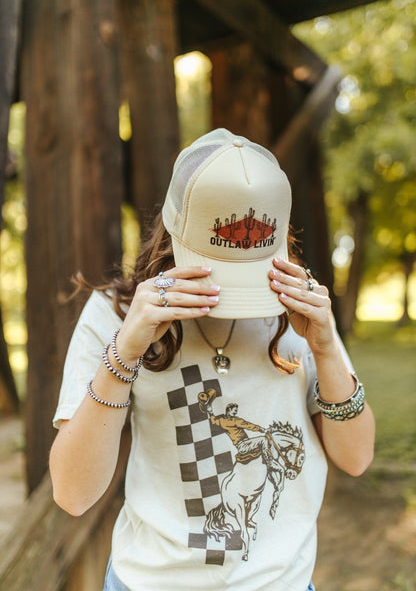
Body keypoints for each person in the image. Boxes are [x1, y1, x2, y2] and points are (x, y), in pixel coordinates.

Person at [50, 128, 375, 591]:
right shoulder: (113, 313)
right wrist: (124, 352)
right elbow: (72, 494)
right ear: (173, 227)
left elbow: (357, 457)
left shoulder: (299, 308)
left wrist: (324, 348)